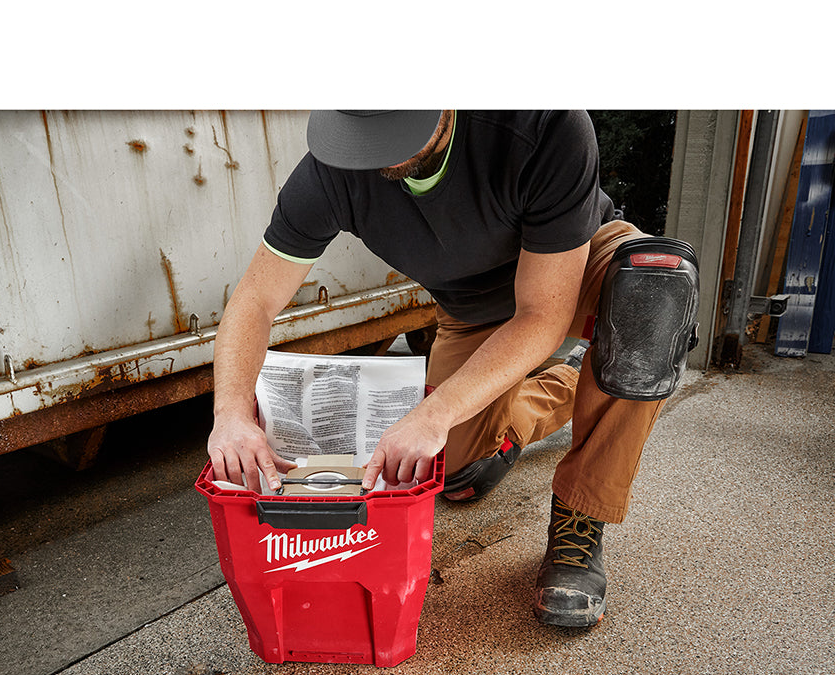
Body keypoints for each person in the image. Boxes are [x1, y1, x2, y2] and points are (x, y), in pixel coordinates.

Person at [207, 110, 669, 629]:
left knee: (653, 295)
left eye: (396, 128)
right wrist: (231, 414)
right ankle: (573, 382)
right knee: (451, 472)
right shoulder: (331, 170)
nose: (378, 151)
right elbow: (254, 301)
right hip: (473, 310)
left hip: (572, 271)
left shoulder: (544, 124)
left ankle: (579, 520)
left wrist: (433, 414)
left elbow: (542, 316)